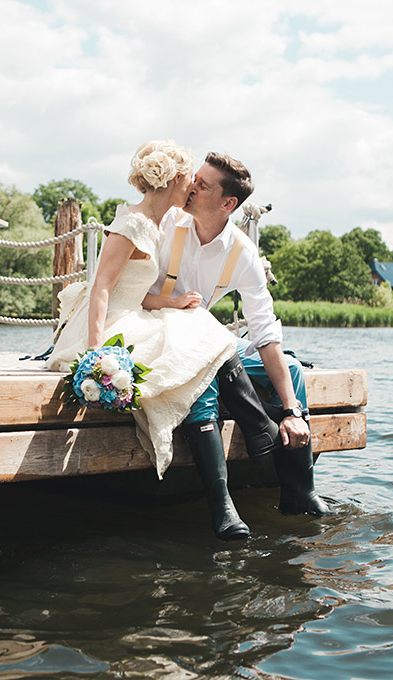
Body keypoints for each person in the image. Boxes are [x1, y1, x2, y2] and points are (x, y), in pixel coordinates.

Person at [48, 140, 245, 538]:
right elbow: (102, 286)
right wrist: (96, 350)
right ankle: (256, 429)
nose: (193, 185)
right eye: (189, 178)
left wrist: (171, 302)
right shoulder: (133, 223)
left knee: (197, 323)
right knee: (194, 336)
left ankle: (255, 424)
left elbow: (134, 289)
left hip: (133, 311)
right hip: (109, 322)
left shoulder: (155, 224)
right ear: (173, 180)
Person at [148, 152, 330, 522]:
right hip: (153, 332)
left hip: (205, 339)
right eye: (195, 179)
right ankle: (222, 500)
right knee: (206, 372)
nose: (192, 187)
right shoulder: (166, 224)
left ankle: (299, 492)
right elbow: (127, 289)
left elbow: (265, 331)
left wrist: (292, 409)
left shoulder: (242, 253)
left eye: (203, 184)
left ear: (228, 203)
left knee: (292, 370)